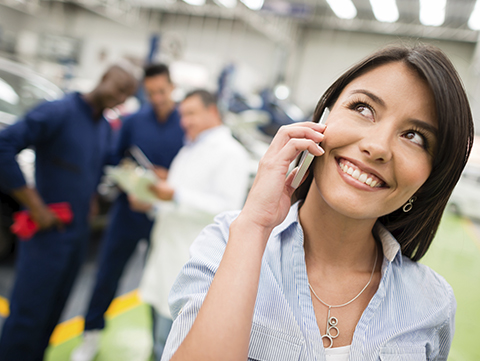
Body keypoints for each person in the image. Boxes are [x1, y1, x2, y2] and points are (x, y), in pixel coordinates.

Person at [160, 44, 474, 361]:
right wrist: (254, 225)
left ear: (428, 179)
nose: (378, 146)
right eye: (364, 109)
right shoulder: (227, 244)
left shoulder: (431, 303)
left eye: (415, 136)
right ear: (321, 119)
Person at [0, 64, 137, 361]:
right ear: (102, 78)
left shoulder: (103, 127)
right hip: (46, 235)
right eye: (118, 88)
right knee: (28, 316)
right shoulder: (58, 112)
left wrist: (90, 199)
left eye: (127, 95)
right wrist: (35, 205)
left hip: (76, 237)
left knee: (53, 313)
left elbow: (92, 168)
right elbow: (5, 145)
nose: (120, 98)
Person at [71, 64, 184, 361]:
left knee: (164, 281)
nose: (157, 98)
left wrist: (168, 177)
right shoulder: (134, 121)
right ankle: (91, 335)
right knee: (107, 274)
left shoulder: (186, 122)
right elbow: (115, 159)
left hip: (165, 218)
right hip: (128, 212)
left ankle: (161, 346)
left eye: (161, 91)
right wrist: (132, 183)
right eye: (150, 93)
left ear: (172, 87)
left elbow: (193, 170)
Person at [136, 89, 251, 360]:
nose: (184, 121)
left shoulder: (230, 153)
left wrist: (174, 195)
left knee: (172, 343)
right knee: (157, 338)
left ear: (212, 112)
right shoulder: (191, 146)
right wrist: (152, 201)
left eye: (191, 114)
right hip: (166, 255)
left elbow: (227, 209)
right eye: (182, 115)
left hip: (187, 262)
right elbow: (178, 197)